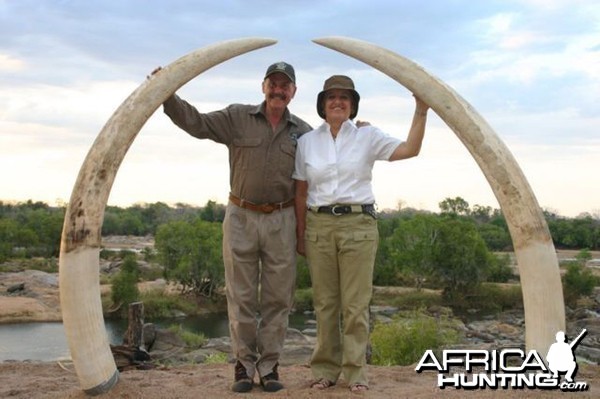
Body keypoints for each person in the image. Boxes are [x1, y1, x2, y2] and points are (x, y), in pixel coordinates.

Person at [158, 62, 312, 393]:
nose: (279, 90)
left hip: (283, 220)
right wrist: (167, 94)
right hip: (241, 214)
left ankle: (269, 367)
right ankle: (243, 365)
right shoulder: (236, 117)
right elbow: (196, 123)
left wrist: (357, 132)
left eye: (285, 85)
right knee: (240, 296)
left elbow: (325, 167)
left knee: (278, 298)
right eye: (273, 83)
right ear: (263, 85)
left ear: (294, 92)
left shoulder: (305, 131)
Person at [293, 75, 429, 392]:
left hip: (358, 225)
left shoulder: (367, 136)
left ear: (353, 105)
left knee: (355, 305)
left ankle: (355, 373)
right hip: (319, 225)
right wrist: (300, 233)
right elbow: (300, 191)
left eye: (344, 97)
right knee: (325, 304)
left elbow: (410, 149)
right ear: (322, 105)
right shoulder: (307, 142)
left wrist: (421, 111)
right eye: (331, 97)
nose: (338, 101)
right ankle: (324, 370)